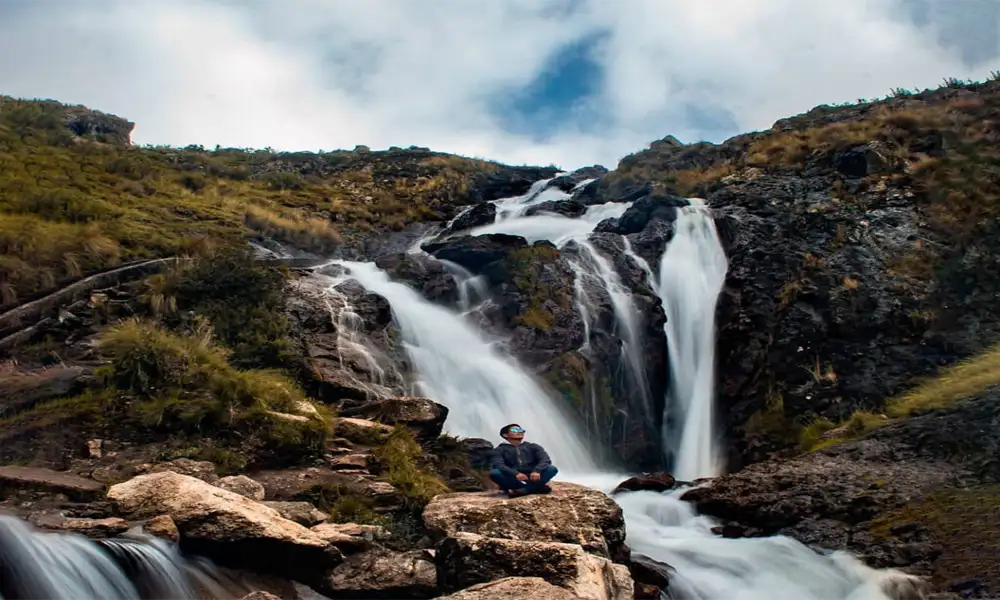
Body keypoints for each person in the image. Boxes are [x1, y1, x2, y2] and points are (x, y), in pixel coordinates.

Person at [488, 423, 558, 498]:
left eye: (521, 430)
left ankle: (525, 490)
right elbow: (499, 464)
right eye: (515, 430)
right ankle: (536, 488)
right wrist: (515, 474)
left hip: (532, 477)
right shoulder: (499, 450)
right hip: (513, 478)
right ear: (505, 435)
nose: (519, 432)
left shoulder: (533, 447)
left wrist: (537, 471)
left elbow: (545, 460)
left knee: (552, 469)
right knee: (494, 473)